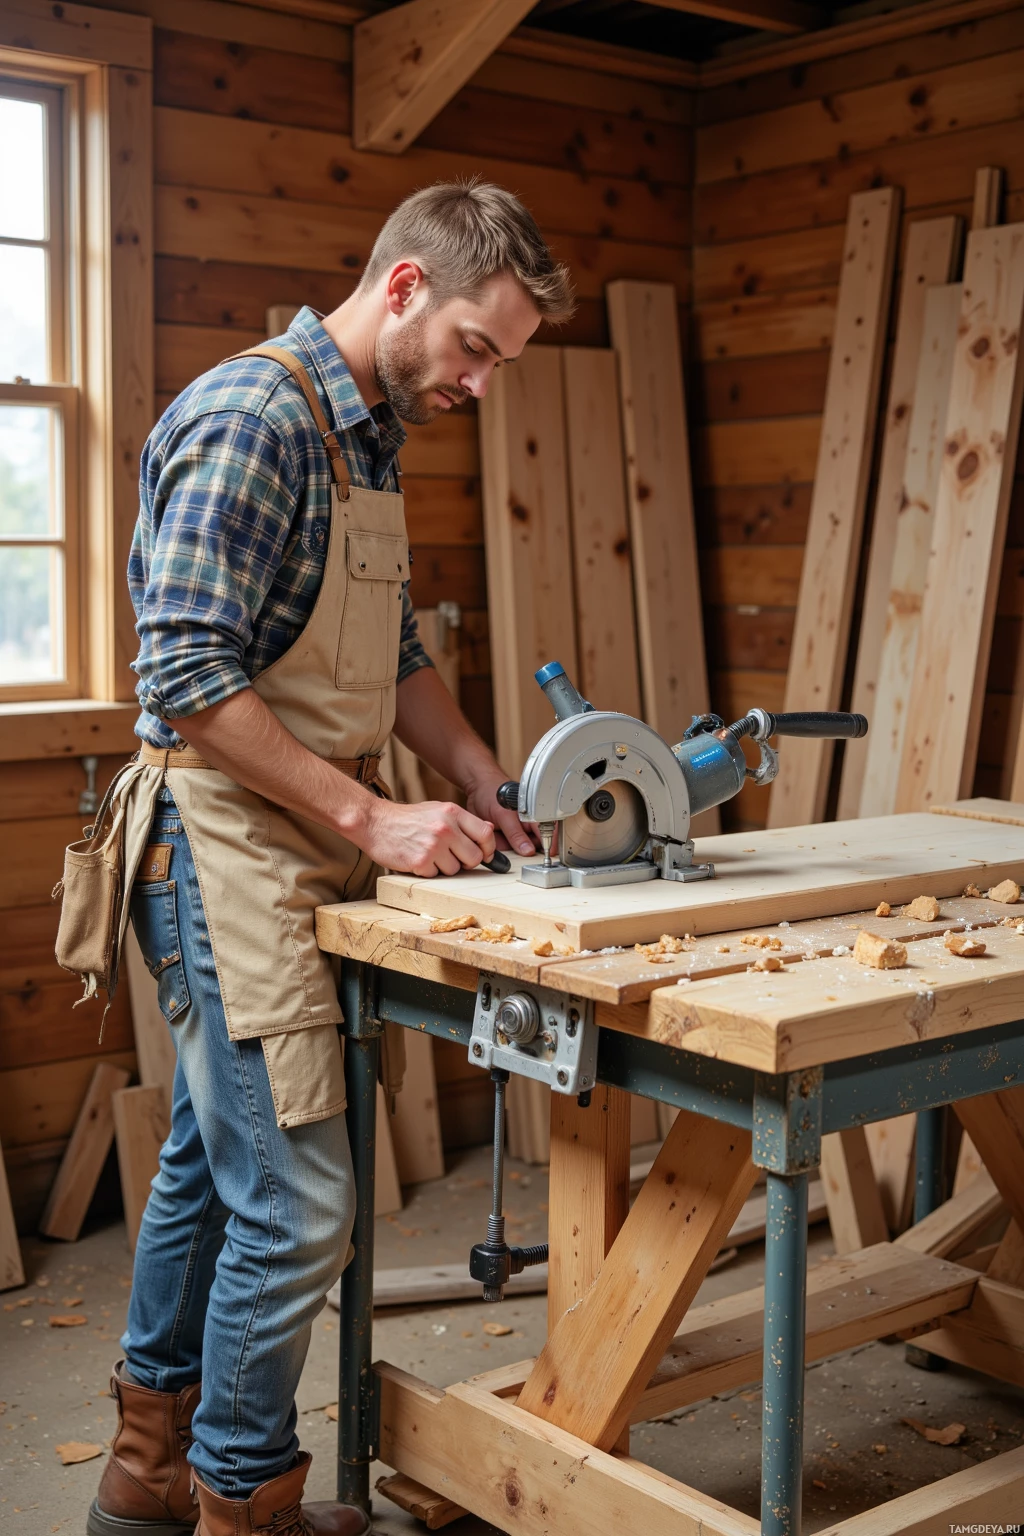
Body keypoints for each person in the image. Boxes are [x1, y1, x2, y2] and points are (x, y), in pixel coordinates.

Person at [87, 179, 575, 1536]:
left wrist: (476, 770)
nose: (481, 383)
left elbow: (392, 648)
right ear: (407, 286)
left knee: (205, 1159)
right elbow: (186, 672)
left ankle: (141, 1485)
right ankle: (244, 1500)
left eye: (504, 363)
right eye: (480, 346)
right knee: (301, 1204)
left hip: (293, 834)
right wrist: (372, 819)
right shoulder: (257, 421)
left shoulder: (365, 428)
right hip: (223, 846)